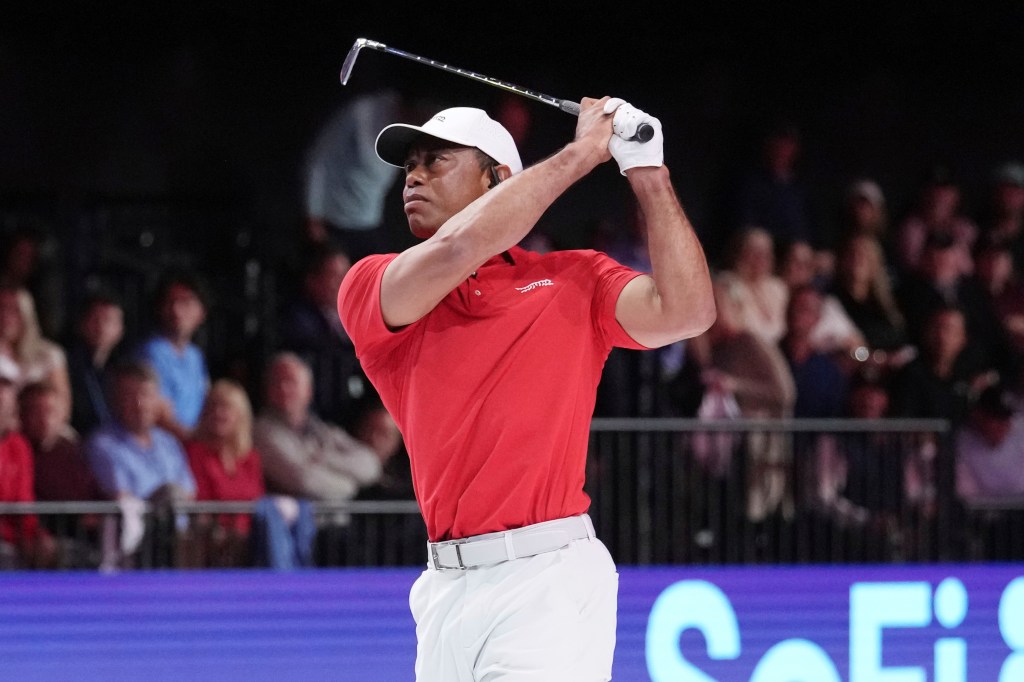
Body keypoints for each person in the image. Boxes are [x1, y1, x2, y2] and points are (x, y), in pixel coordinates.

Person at [338, 96, 715, 679]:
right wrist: (583, 153)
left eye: (437, 160)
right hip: (443, 590)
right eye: (410, 165)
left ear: (497, 178)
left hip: (546, 579)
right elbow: (459, 247)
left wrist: (648, 174)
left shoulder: (575, 278)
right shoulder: (370, 283)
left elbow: (688, 312)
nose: (413, 176)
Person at [184, 378, 314, 569]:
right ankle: (285, 576)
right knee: (268, 513)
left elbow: (256, 496)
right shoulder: (196, 452)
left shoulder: (249, 457)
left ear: (240, 415)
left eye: (226, 408)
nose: (218, 413)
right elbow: (202, 500)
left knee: (299, 508)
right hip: (221, 533)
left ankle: (299, 570)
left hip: (254, 531)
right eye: (213, 407)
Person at [84, 359, 197, 566]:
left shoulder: (169, 442)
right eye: (130, 396)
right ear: (115, 400)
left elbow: (189, 493)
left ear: (159, 400)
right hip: (137, 546)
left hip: (181, 542)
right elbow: (121, 495)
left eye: (146, 395)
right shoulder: (103, 444)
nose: (140, 404)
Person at [252, 352, 381, 502]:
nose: (284, 388)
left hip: (338, 516)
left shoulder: (321, 429)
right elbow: (305, 481)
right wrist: (351, 486)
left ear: (308, 391)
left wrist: (325, 459)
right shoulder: (261, 432)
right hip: (300, 516)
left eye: (291, 382)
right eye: (276, 382)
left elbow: (371, 465)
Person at [276, 242, 366, 426]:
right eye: (334, 276)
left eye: (346, 275)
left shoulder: (359, 318)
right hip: (316, 417)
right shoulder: (299, 322)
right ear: (312, 281)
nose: (343, 283)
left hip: (353, 415)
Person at [134, 268, 211, 443]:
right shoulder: (151, 352)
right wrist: (196, 443)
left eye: (185, 302)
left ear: (202, 312)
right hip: (163, 445)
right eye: (170, 302)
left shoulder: (195, 356)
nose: (176, 310)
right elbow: (159, 414)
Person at [0, 359, 56, 568]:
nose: (2, 394)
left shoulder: (18, 445)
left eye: (6, 387)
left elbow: (24, 503)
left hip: (15, 540)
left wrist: (35, 536)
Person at [0, 285, 72, 416]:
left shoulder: (50, 354)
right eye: (1, 308)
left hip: (43, 422)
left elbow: (63, 405)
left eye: (13, 310)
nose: (5, 316)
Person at [66, 289, 126, 437]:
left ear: (120, 330)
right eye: (95, 319)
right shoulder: (68, 365)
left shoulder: (120, 370)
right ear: (82, 324)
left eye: (108, 321)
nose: (101, 327)